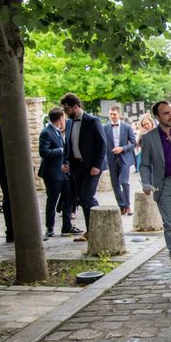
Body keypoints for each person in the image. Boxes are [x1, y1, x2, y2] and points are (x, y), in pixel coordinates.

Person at [139, 101, 171, 264]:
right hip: (163, 185)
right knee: (169, 223)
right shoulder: (149, 138)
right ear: (157, 117)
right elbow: (145, 164)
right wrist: (146, 183)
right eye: (166, 113)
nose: (170, 116)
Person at [60, 93, 107, 242]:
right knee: (81, 197)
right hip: (76, 166)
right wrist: (65, 161)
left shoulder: (92, 121)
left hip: (91, 166)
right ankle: (91, 231)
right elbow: (68, 144)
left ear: (75, 106)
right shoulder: (69, 123)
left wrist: (96, 165)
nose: (65, 113)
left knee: (87, 197)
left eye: (67, 109)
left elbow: (102, 144)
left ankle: (101, 226)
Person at [39, 107, 81, 238]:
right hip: (52, 174)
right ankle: (50, 228)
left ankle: (66, 227)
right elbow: (43, 152)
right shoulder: (46, 132)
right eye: (64, 117)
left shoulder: (59, 131)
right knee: (52, 200)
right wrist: (61, 150)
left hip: (64, 173)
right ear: (60, 118)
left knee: (69, 198)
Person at [104, 106, 136, 215]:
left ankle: (127, 205)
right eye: (110, 114)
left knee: (124, 182)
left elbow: (134, 143)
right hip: (112, 158)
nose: (112, 116)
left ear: (119, 114)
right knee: (115, 184)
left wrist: (122, 148)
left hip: (124, 158)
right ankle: (121, 205)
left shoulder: (126, 127)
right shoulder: (105, 127)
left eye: (114, 114)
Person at [0, 122, 13, 242]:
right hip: (4, 170)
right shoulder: (3, 129)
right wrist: (7, 169)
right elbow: (3, 151)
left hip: (2, 169)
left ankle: (11, 232)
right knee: (10, 200)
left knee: (9, 199)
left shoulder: (0, 128)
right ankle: (11, 232)